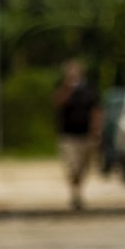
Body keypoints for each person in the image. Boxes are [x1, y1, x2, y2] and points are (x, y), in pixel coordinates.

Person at [54, 59, 102, 210]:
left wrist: (96, 129)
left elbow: (96, 109)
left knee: (83, 167)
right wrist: (68, 88)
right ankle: (75, 194)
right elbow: (56, 103)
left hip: (86, 135)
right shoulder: (62, 87)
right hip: (68, 135)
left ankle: (78, 192)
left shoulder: (89, 88)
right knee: (72, 166)